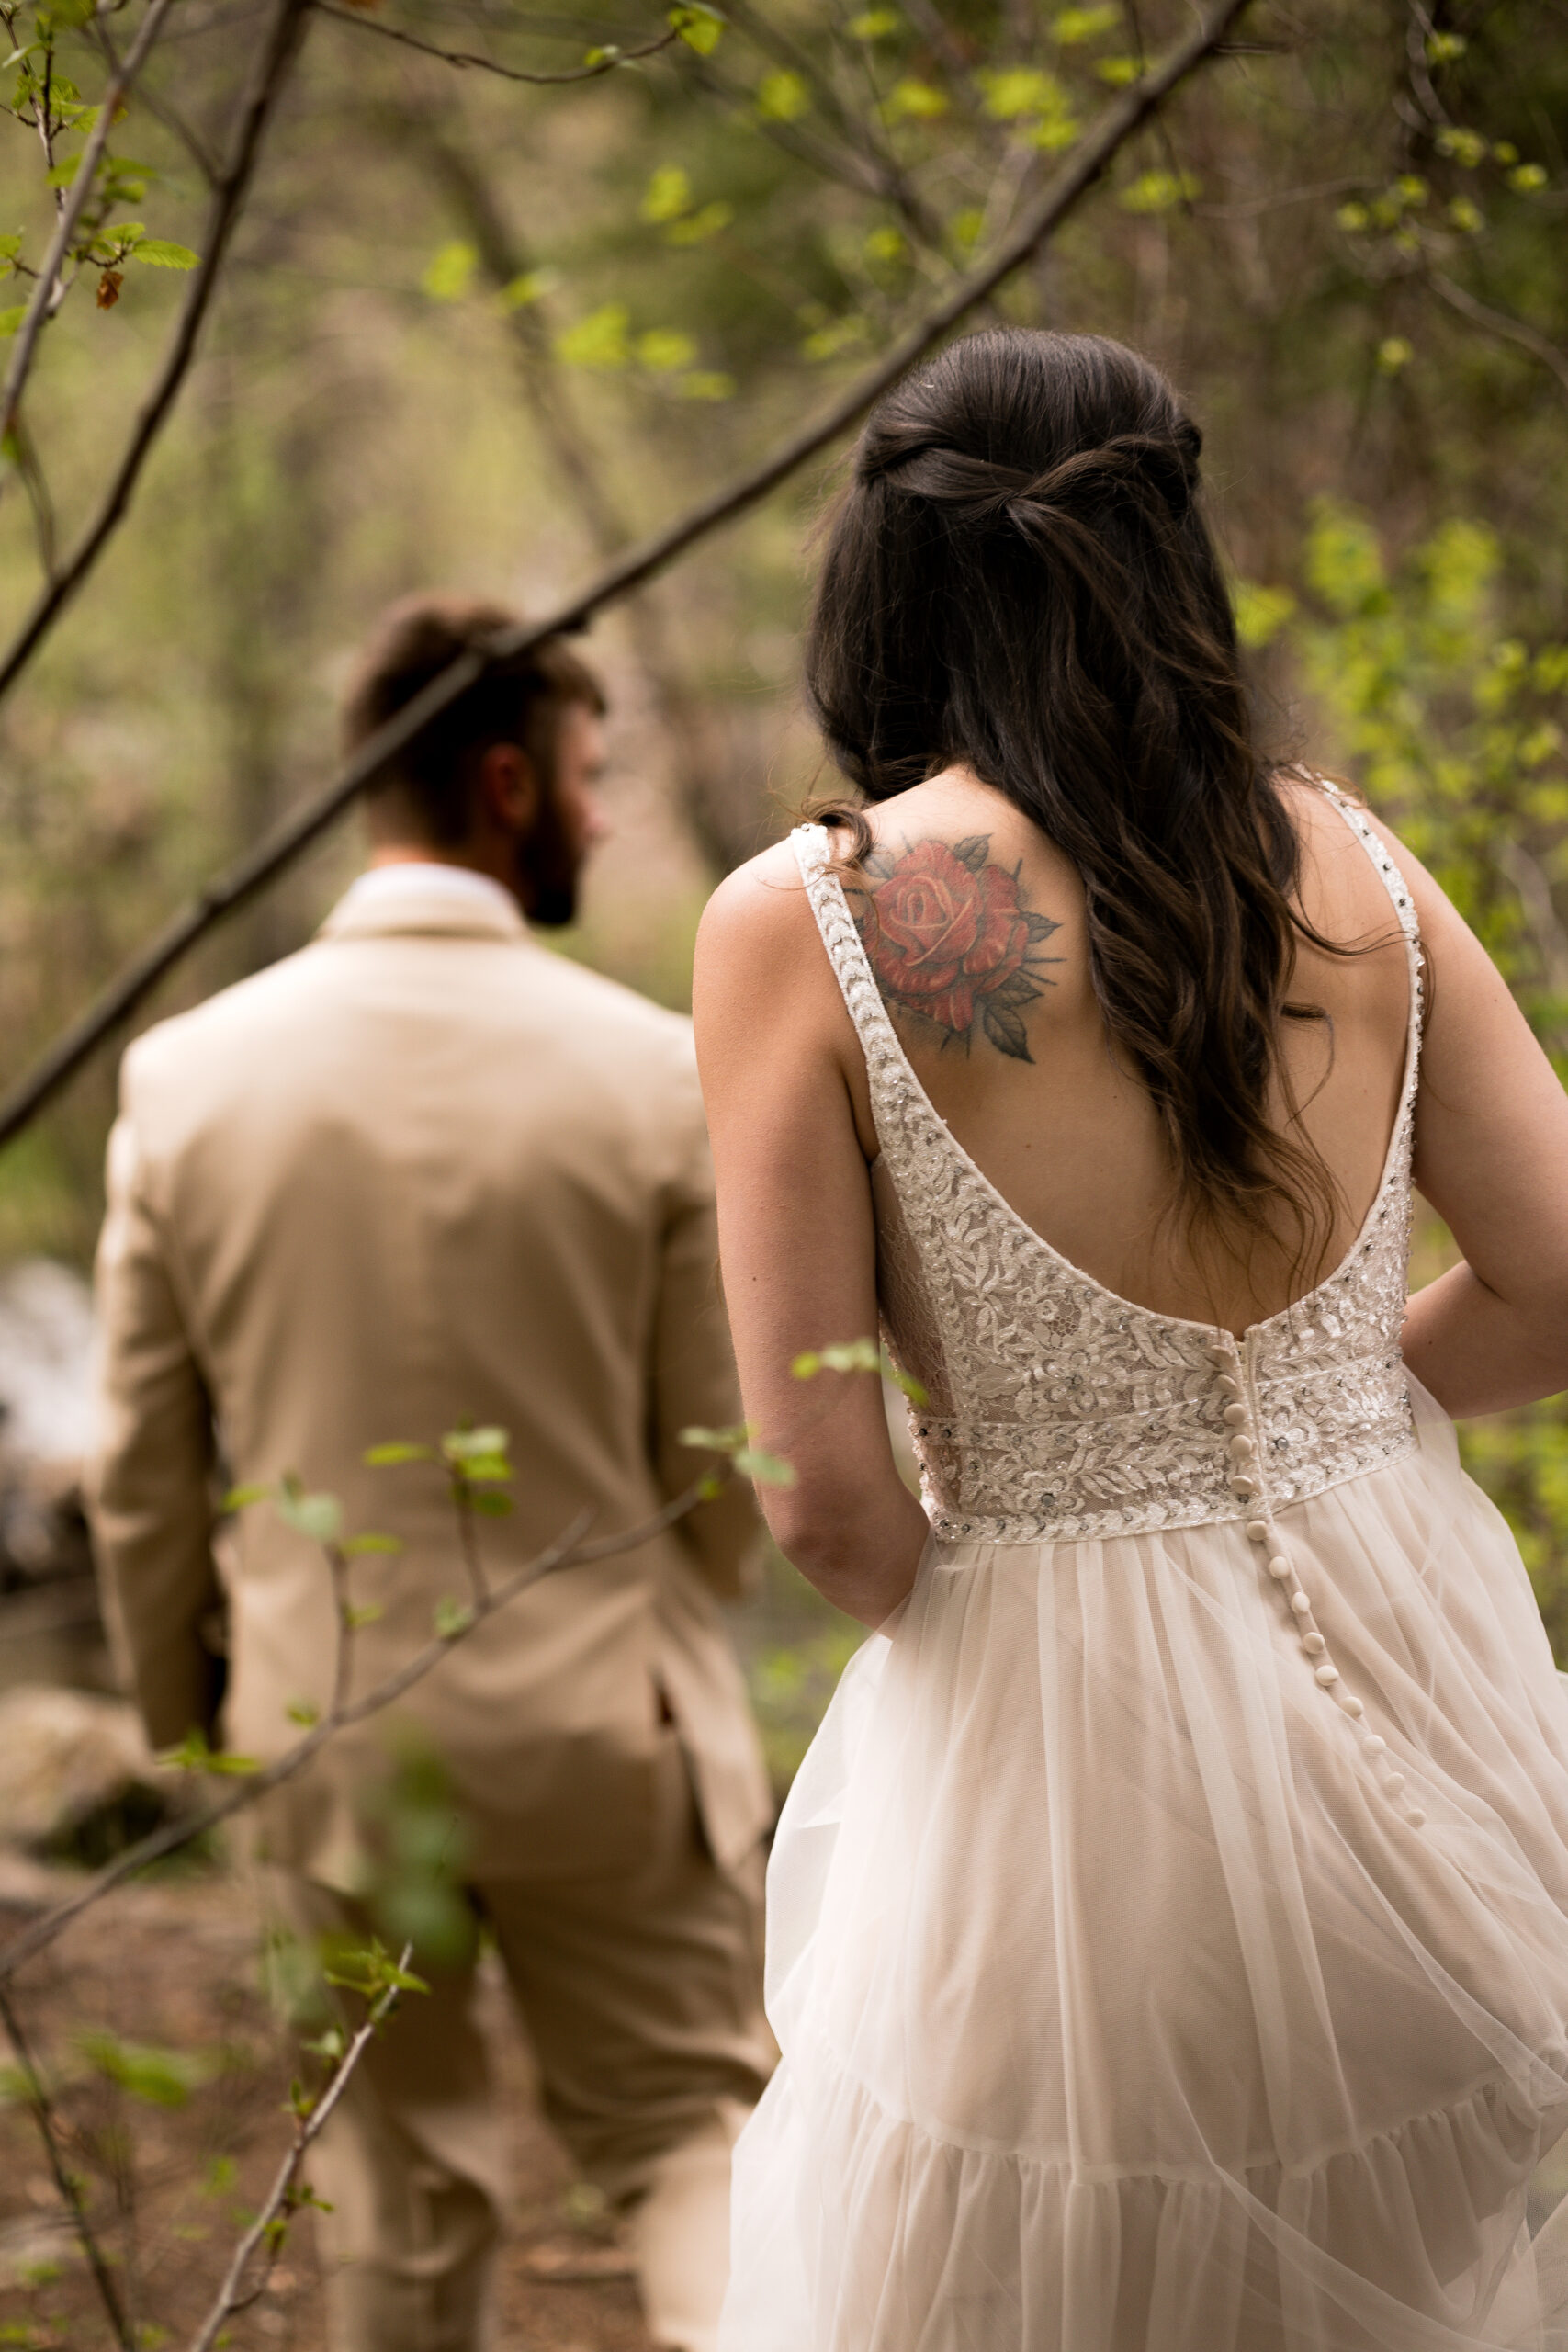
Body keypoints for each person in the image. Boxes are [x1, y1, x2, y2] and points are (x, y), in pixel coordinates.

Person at [694, 330, 1568, 2349]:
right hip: (1425, 1720)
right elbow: (1557, 1274)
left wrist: (1064, 1516)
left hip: (1058, 1762)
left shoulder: (809, 919)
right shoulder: (1348, 858)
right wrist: (1312, 1416)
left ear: (885, 574)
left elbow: (822, 1501)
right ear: (1178, 553)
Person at [89, 594, 775, 2352]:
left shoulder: (182, 1082)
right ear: (501, 780)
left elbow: (145, 1478)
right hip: (609, 1725)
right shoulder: (648, 1072)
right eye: (589, 777)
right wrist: (671, 1646)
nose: (604, 816)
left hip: (329, 1735)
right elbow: (715, 1460)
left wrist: (202, 1725)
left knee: (396, 2196)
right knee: (693, 2144)